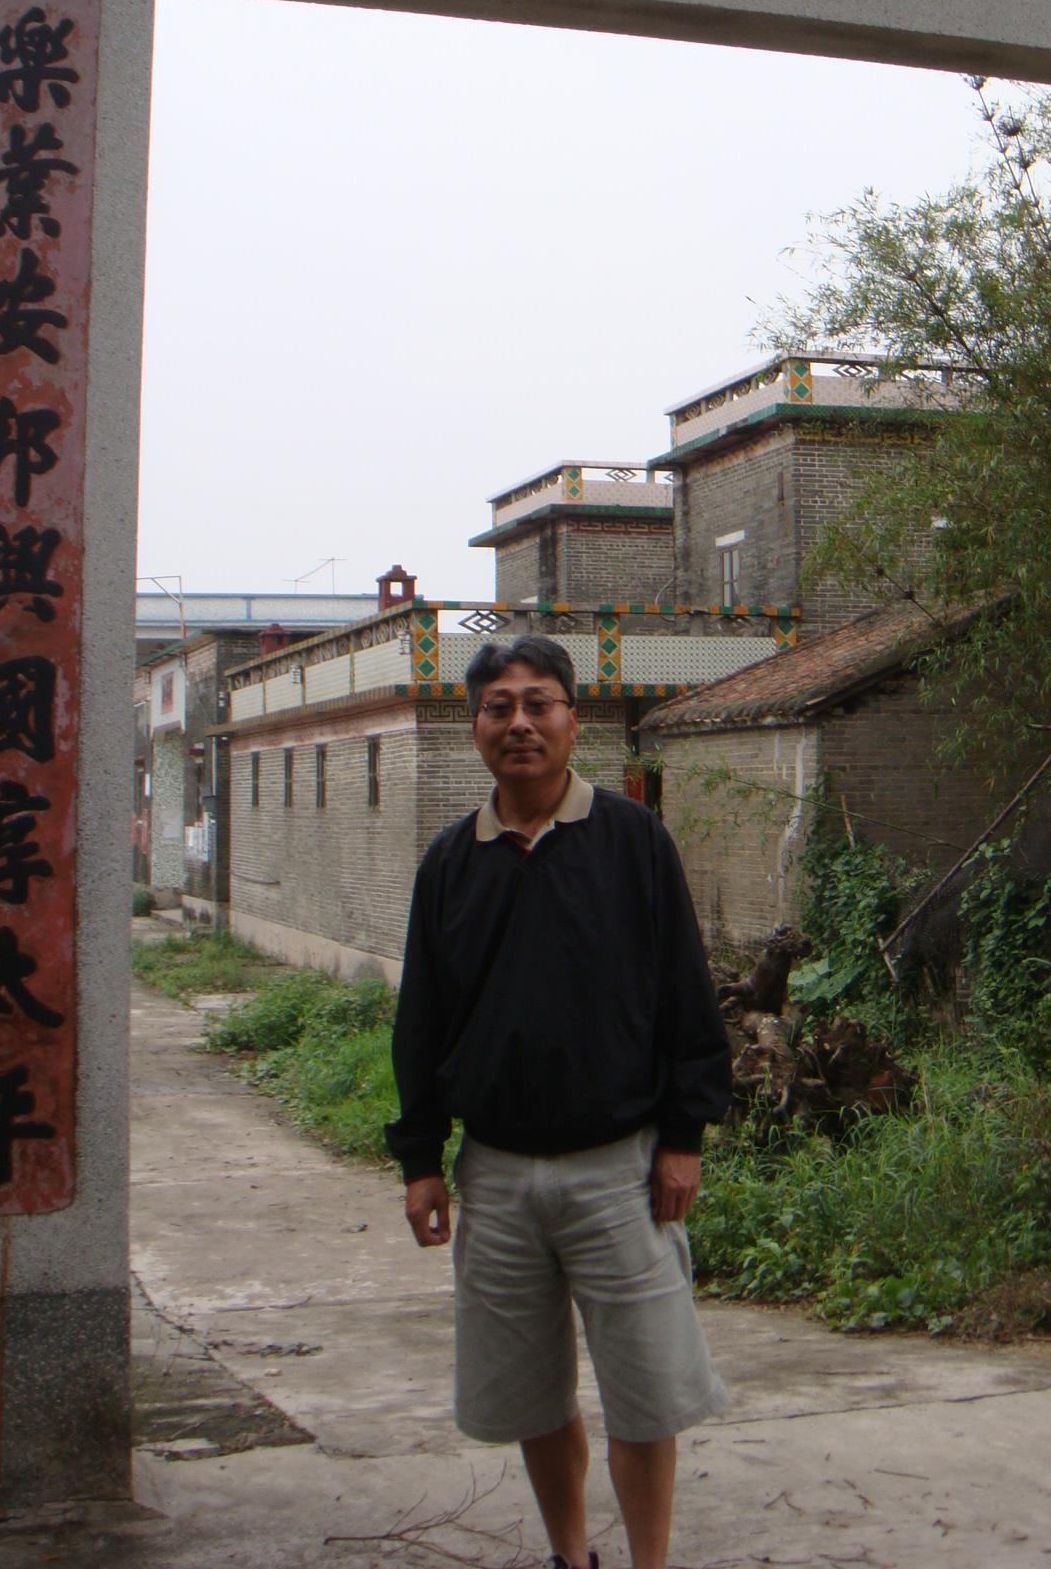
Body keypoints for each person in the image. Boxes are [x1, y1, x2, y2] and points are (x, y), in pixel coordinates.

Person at [386, 634, 732, 1569]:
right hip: (496, 1177)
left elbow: (683, 997)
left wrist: (683, 1135)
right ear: (475, 728)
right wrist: (421, 1159)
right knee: (536, 1399)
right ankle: (571, 1553)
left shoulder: (633, 844)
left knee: (646, 1394)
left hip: (620, 1170)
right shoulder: (451, 864)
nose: (521, 724)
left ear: (575, 720)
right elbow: (420, 1021)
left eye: (540, 703)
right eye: (500, 707)